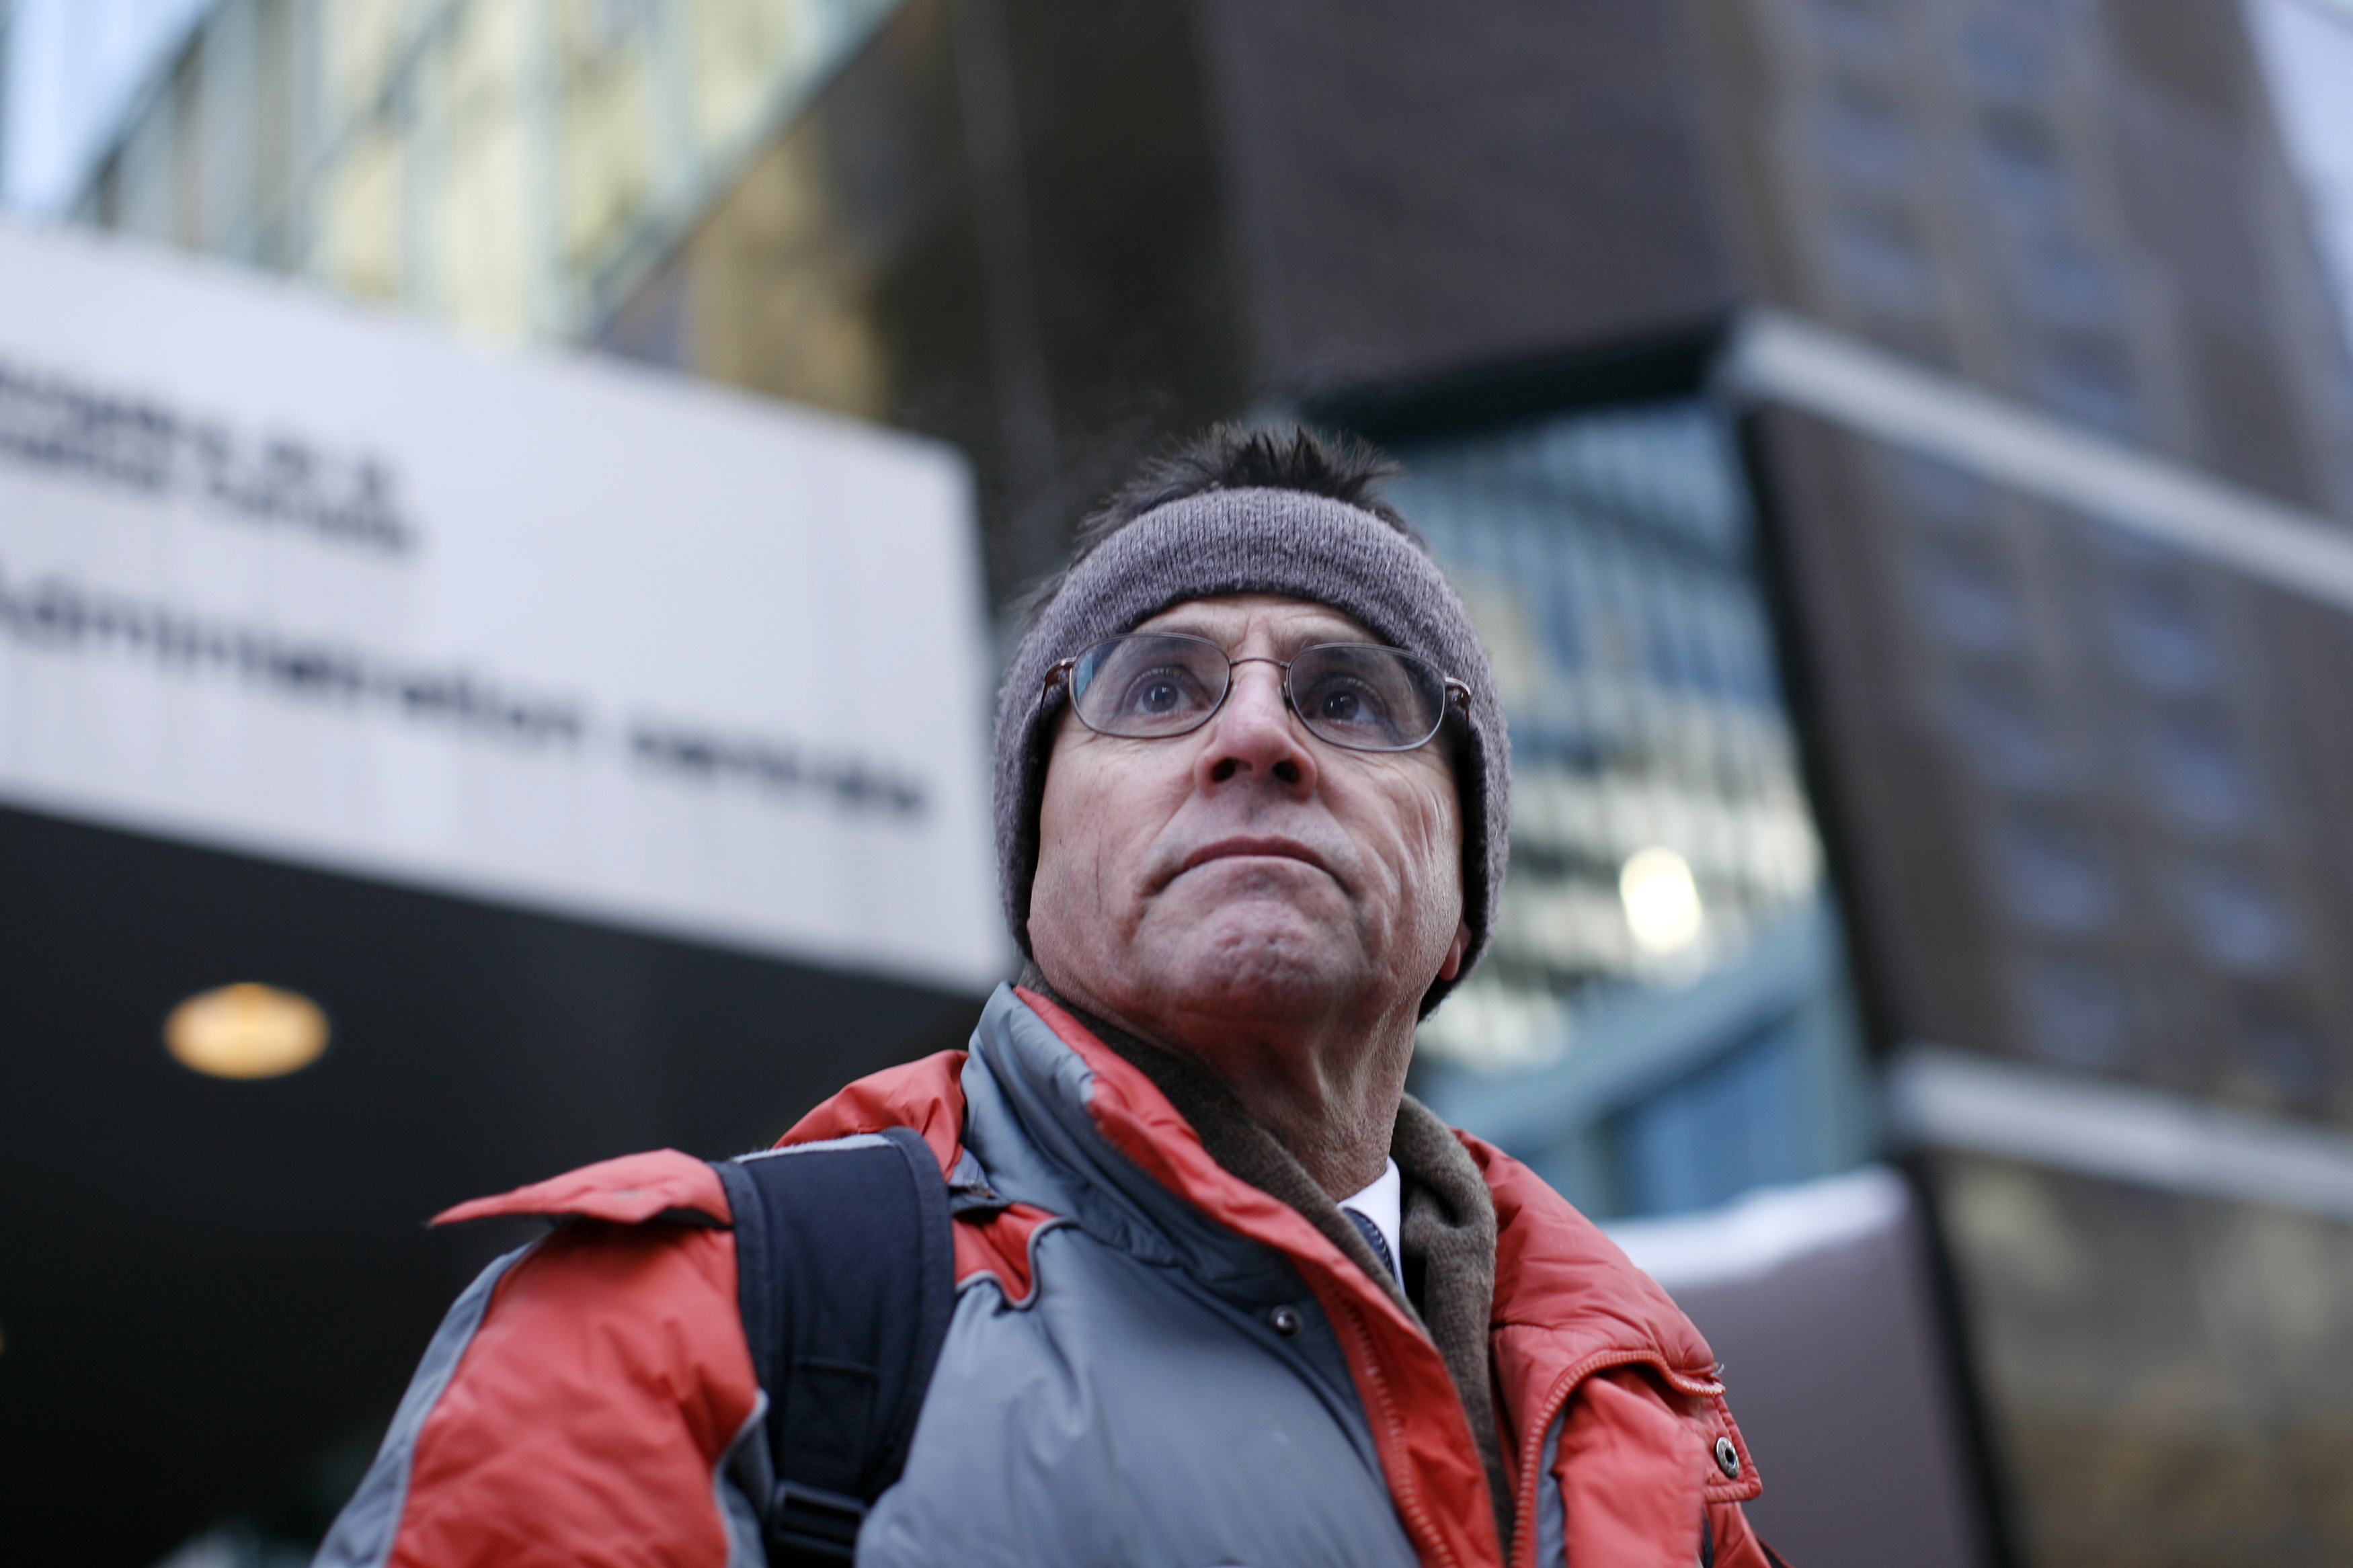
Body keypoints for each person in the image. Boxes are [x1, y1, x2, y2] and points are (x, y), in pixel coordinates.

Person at [317, 425, 1780, 1568]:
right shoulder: (678, 1328)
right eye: (1159, 688)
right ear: (1033, 862)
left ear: (1464, 892)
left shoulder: (1654, 1429)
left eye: (1349, 696)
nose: (1255, 734)